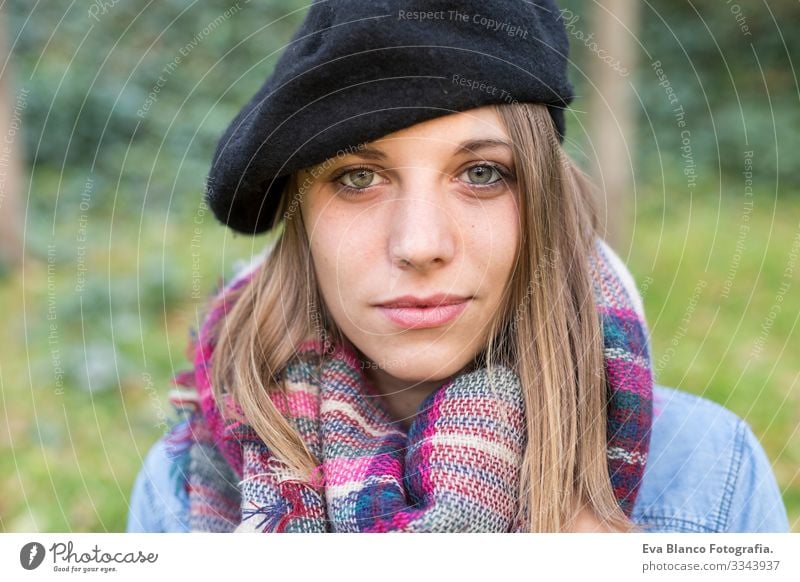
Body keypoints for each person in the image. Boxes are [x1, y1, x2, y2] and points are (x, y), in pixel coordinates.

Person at [126, 0, 789, 533]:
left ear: (542, 204)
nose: (419, 244)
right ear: (301, 213)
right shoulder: (186, 487)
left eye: (481, 173)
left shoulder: (705, 473)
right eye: (358, 177)